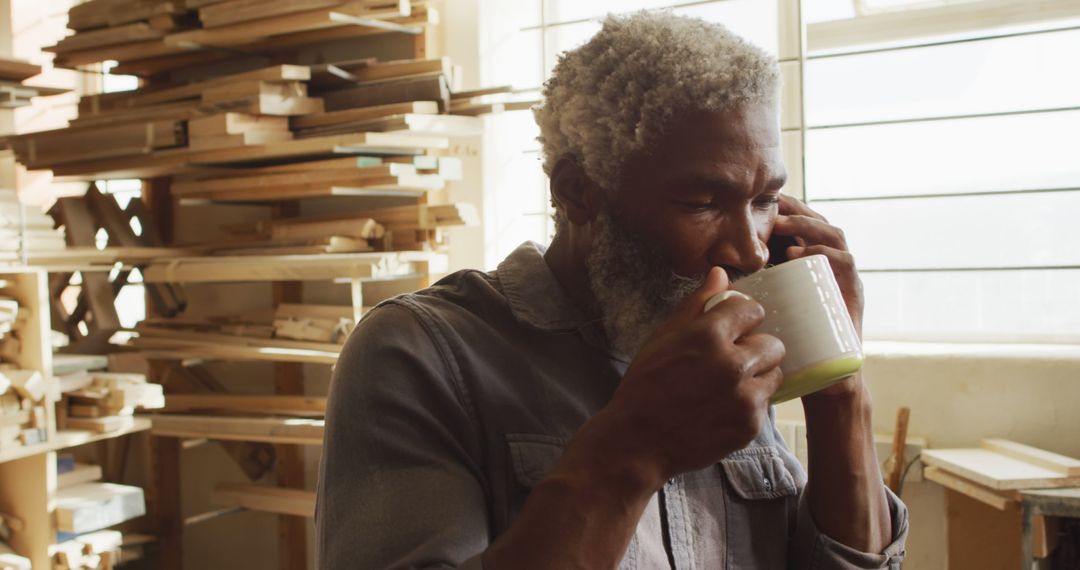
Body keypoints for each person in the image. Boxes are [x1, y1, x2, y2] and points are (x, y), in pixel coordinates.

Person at [317, 10, 908, 569]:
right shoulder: (420, 354)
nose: (751, 250)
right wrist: (633, 450)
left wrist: (841, 391)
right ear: (577, 191)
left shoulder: (728, 326)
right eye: (702, 203)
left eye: (763, 200)